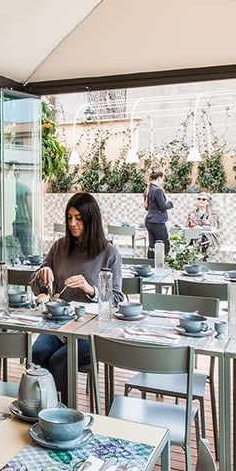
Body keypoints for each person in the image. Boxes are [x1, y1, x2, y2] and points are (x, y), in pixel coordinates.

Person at [31, 192, 122, 407]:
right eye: (69, 218)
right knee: (37, 354)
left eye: (79, 218)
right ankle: (41, 410)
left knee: (60, 361)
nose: (73, 223)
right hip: (59, 327)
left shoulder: (109, 253)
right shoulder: (59, 248)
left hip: (92, 333)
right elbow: (36, 286)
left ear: (92, 220)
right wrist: (42, 274)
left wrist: (90, 290)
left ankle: (65, 416)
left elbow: (117, 300)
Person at [143, 170, 173, 257]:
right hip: (157, 221)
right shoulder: (157, 190)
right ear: (159, 178)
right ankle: (162, 262)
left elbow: (147, 207)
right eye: (163, 179)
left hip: (149, 221)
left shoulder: (147, 190)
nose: (163, 181)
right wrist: (170, 204)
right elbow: (163, 206)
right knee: (165, 245)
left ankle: (150, 263)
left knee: (152, 245)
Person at [187, 192, 220, 258]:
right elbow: (188, 227)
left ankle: (200, 255)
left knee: (198, 232)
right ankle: (189, 247)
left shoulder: (212, 214)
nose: (201, 201)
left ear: (207, 202)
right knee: (194, 230)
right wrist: (191, 221)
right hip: (194, 236)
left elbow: (215, 228)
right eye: (199, 199)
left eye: (203, 199)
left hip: (207, 236)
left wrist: (209, 224)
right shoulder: (192, 213)